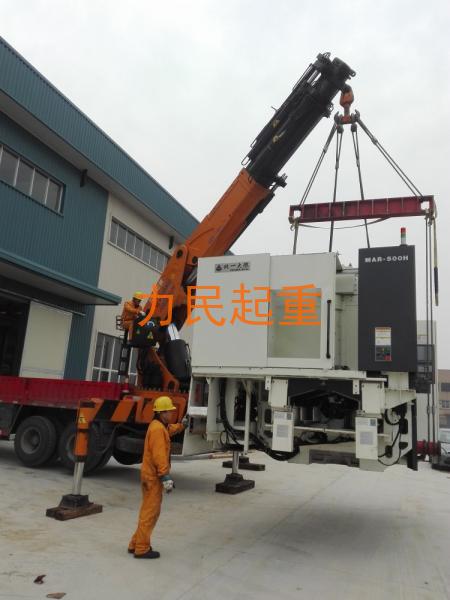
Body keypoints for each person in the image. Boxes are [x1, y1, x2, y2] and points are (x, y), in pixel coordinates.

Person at [128, 396, 186, 559]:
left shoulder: (158, 426)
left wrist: (182, 425)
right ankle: (141, 549)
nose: (172, 414)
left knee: (147, 511)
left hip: (149, 476)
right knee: (150, 513)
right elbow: (159, 456)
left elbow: (169, 430)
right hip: (152, 478)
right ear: (162, 413)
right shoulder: (158, 430)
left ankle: (135, 544)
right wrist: (165, 476)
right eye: (170, 411)